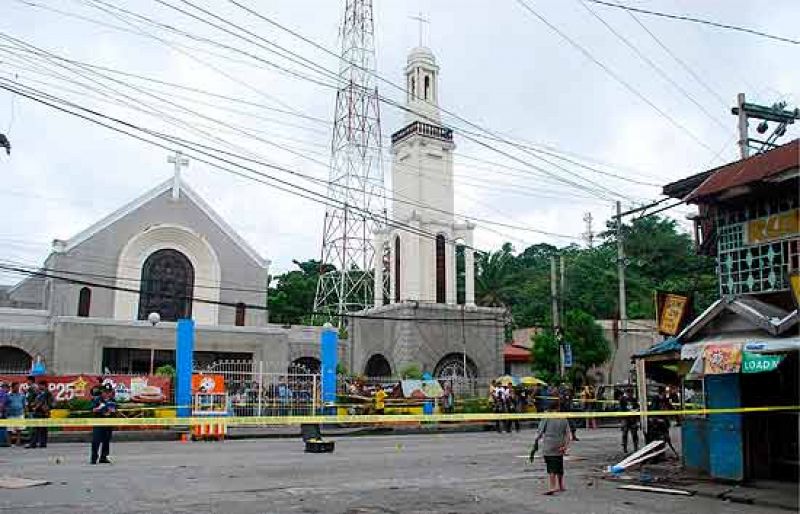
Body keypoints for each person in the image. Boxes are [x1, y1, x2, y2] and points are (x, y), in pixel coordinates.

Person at [534, 405, 572, 495]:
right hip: (560, 444)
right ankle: (561, 485)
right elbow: (568, 434)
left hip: (549, 445)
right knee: (559, 464)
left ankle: (552, 487)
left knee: (551, 467)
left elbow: (540, 431)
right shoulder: (563, 418)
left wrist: (536, 440)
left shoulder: (547, 417)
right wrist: (565, 446)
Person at [90, 384, 116, 464]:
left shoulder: (112, 400)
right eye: (105, 392)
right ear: (102, 392)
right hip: (98, 423)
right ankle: (94, 458)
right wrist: (100, 408)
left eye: (109, 392)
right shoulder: (97, 399)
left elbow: (114, 410)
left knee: (106, 440)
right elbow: (93, 409)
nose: (107, 394)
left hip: (108, 423)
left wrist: (112, 411)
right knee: (96, 440)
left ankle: (103, 457)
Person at [27, 380, 53, 449]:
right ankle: (33, 444)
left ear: (44, 386)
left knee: (44, 429)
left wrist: (48, 408)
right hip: (37, 413)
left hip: (45, 414)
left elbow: (52, 403)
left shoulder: (48, 394)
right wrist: (33, 405)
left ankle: (43, 444)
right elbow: (32, 402)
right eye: (39, 385)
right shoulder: (37, 393)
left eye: (40, 385)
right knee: (35, 429)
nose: (39, 387)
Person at [619, 388, 640, 453]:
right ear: (627, 393)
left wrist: (636, 410)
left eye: (631, 393)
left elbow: (637, 406)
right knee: (625, 433)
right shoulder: (622, 399)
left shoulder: (634, 399)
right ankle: (624, 447)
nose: (630, 394)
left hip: (633, 418)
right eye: (629, 393)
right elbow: (621, 408)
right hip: (625, 418)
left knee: (634, 434)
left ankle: (635, 447)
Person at [0, 382, 9, 447]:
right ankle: (2, 442)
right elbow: (2, 405)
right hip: (2, 413)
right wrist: (1, 412)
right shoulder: (4, 394)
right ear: (5, 387)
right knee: (3, 428)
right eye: (8, 388)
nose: (8, 390)